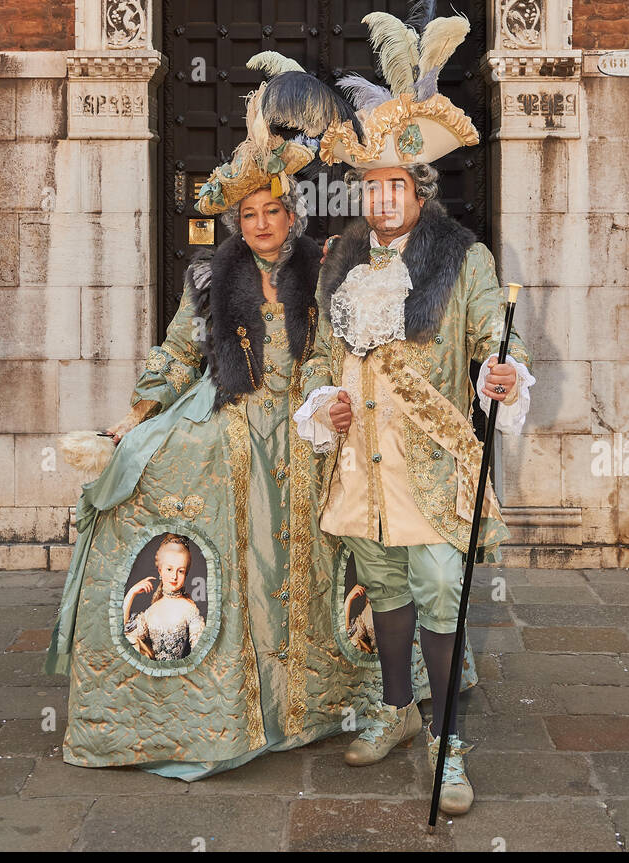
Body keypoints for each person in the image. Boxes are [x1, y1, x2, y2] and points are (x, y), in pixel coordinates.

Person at [45, 65, 381, 777]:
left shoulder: (321, 274)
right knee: (145, 480)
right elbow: (175, 352)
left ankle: (317, 700)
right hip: (229, 423)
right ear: (238, 220)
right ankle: (212, 702)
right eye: (249, 215)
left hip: (304, 428)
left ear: (293, 214)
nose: (261, 225)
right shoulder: (208, 278)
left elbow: (326, 355)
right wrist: (130, 420)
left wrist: (322, 405)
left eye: (273, 212)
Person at [270, 0, 536, 815]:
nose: (382, 197)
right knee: (381, 590)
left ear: (420, 187)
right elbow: (317, 357)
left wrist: (501, 372)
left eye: (397, 184)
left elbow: (497, 332)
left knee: (436, 598)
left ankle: (450, 745)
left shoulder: (463, 258)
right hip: (360, 463)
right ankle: (393, 711)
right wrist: (322, 403)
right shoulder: (338, 258)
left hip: (431, 463)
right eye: (371, 185)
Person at [122, 533, 205, 661]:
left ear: (186, 573)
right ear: (160, 570)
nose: (174, 577)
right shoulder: (151, 610)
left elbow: (200, 653)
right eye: (169, 569)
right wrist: (130, 594)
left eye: (181, 571)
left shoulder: (189, 608)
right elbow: (126, 642)